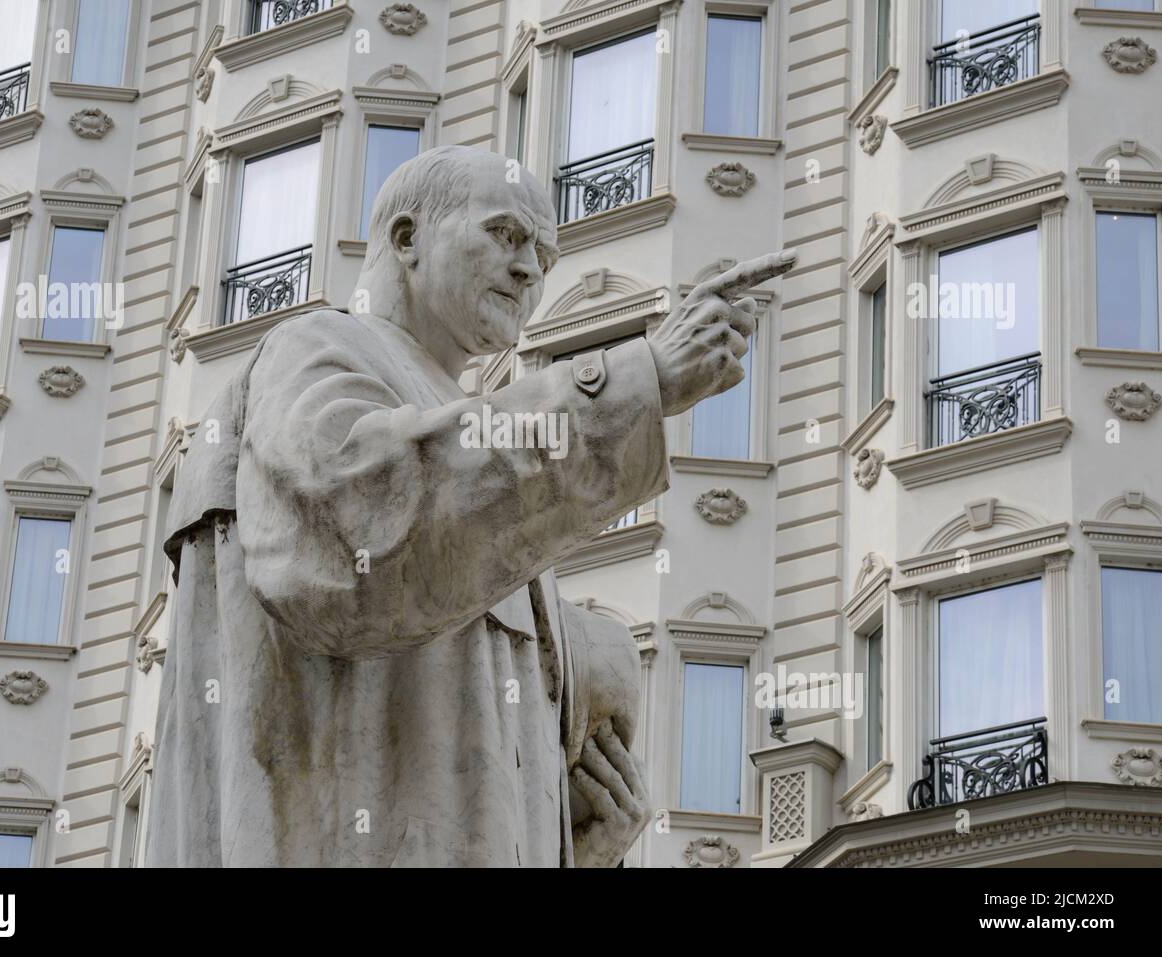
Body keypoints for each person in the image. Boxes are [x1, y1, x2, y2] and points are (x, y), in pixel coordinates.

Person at [146, 145, 795, 866]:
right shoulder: (314, 352)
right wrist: (639, 381)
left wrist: (581, 843)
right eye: (506, 235)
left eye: (544, 258)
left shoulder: (464, 432)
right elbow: (355, 536)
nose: (529, 271)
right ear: (406, 238)